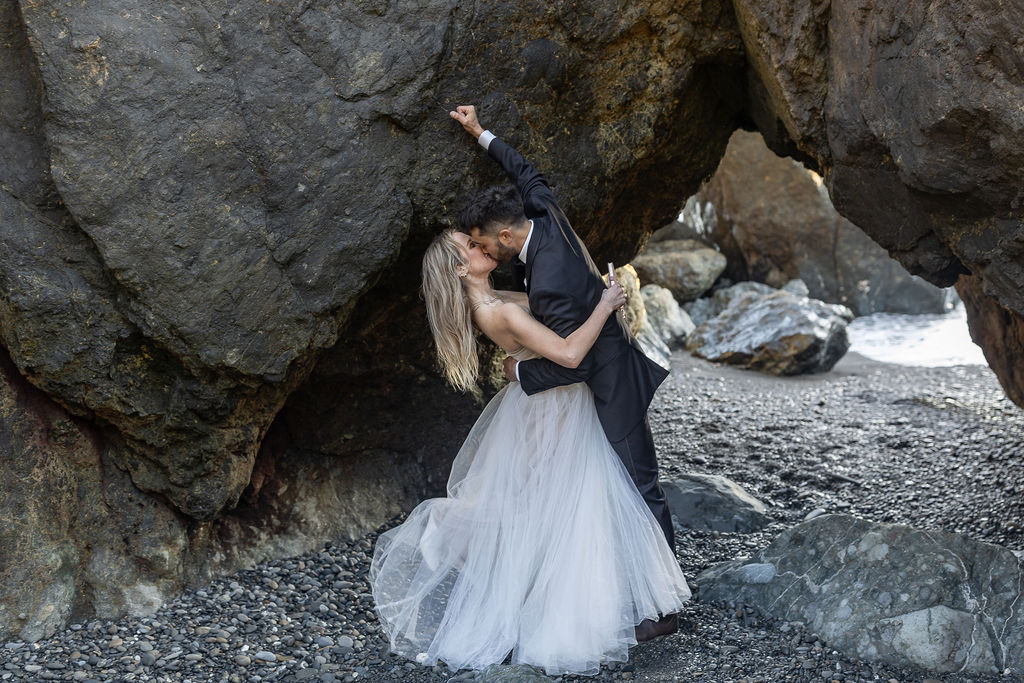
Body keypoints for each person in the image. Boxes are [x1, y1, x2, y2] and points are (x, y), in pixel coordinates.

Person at [368, 227, 691, 675]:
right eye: (472, 248)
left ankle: (590, 601)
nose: (483, 248)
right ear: (461, 268)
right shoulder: (496, 309)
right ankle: (562, 605)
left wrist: (522, 362)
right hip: (555, 408)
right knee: (568, 504)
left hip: (548, 404)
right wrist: (605, 304)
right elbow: (571, 353)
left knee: (559, 505)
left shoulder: (495, 297)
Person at [450, 105, 681, 641]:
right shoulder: (542, 211)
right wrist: (479, 132)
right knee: (595, 488)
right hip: (599, 359)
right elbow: (526, 170)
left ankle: (664, 606)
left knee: (640, 482)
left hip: (608, 379)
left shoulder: (549, 283)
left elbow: (570, 359)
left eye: (484, 244)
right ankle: (616, 585)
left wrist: (519, 374)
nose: (482, 251)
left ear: (506, 238)